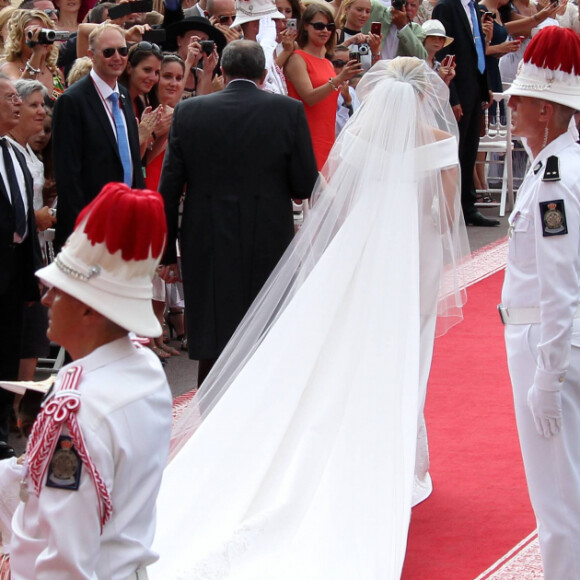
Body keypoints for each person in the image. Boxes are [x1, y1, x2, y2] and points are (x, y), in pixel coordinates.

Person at [150, 56, 470, 579]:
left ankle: (343, 452)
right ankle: (394, 459)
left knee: (346, 349)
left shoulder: (360, 138)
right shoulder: (436, 137)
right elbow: (445, 209)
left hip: (356, 251)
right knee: (406, 346)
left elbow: (332, 200)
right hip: (412, 254)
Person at [8, 183, 173, 579]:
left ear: (88, 311)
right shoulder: (145, 370)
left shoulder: (76, 412)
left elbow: (65, 563)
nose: (46, 300)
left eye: (58, 292)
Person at [159, 39, 318, 385]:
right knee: (265, 329)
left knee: (214, 335)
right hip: (269, 235)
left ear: (222, 72)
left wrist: (167, 252)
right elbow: (305, 184)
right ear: (264, 74)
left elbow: (169, 188)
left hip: (206, 236)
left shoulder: (190, 111)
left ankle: (211, 421)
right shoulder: (288, 111)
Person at [499, 26, 580, 580]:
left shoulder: (554, 179)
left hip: (544, 341)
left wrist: (548, 376)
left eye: (522, 100)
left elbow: (560, 285)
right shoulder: (550, 165)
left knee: (558, 503)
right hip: (545, 338)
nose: (513, 107)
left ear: (547, 112)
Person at [52, 23, 145, 249]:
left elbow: (132, 160)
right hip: (91, 230)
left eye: (123, 51)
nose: (117, 57)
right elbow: (68, 175)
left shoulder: (123, 94)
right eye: (108, 52)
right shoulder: (72, 101)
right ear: (91, 55)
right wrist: (82, 231)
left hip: (126, 223)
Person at [0, 74, 42, 460]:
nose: (19, 103)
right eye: (11, 97)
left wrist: (31, 283)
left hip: (14, 277)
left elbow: (24, 220)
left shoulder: (13, 153)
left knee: (7, 354)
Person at [433, 0, 499, 227]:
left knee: (470, 149)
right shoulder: (446, 7)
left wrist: (485, 85)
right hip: (457, 88)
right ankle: (452, 208)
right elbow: (444, 53)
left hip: (474, 87)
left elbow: (477, 50)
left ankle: (468, 206)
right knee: (456, 151)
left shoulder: (475, 10)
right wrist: (451, 96)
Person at [285, 3, 362, 170]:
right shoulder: (297, 59)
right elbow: (309, 98)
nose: (325, 31)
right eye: (319, 26)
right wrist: (339, 78)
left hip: (327, 138)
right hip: (305, 138)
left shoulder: (328, 62)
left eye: (329, 26)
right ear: (305, 26)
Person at [363, 0, 427, 60]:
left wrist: (403, 27)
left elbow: (422, 58)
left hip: (397, 70)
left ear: (418, 8)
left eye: (413, 5)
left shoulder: (416, 30)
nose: (408, 8)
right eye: (405, 3)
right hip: (370, 69)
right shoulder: (376, 11)